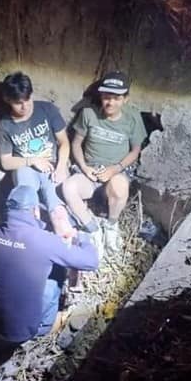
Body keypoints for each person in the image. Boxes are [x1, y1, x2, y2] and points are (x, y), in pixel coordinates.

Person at [0, 185, 98, 358]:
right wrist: (82, 237)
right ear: (35, 211)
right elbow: (91, 262)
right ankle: (45, 326)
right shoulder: (44, 241)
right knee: (56, 273)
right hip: (17, 334)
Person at [63, 71, 147, 256]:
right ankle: (92, 229)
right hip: (90, 172)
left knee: (120, 185)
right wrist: (85, 168)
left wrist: (115, 169)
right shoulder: (88, 114)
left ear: (125, 99)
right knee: (68, 188)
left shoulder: (132, 118)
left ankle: (111, 225)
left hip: (115, 172)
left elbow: (135, 150)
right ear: (101, 96)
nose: (110, 103)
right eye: (106, 97)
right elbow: (76, 143)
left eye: (116, 98)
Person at [0, 72, 73, 236]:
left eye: (27, 100)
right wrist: (31, 160)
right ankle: (32, 244)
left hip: (52, 165)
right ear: (8, 100)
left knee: (57, 211)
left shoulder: (47, 110)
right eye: (18, 103)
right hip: (26, 167)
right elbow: (6, 162)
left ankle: (68, 246)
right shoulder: (4, 125)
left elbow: (64, 142)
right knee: (28, 207)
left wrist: (61, 167)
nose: (25, 107)